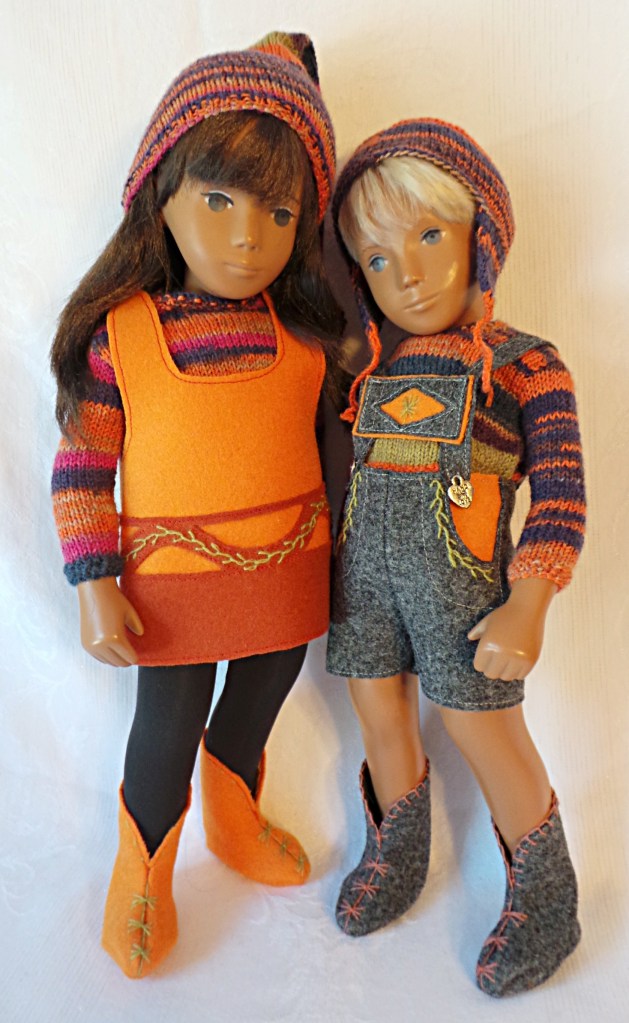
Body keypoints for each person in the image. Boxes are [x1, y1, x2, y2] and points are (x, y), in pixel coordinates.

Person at [50, 31, 343, 979]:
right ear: (159, 190)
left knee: (265, 685)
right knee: (166, 721)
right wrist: (94, 579)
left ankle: (234, 805)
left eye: (278, 211)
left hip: (290, 567)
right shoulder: (123, 336)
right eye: (218, 199)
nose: (246, 235)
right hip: (169, 585)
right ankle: (142, 868)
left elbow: (342, 449)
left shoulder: (305, 336)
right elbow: (83, 466)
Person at [327, 118, 585, 997]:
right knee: (376, 710)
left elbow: (560, 498)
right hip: (362, 585)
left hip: (465, 596)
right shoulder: (369, 372)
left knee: (482, 725)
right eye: (375, 257)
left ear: (483, 235)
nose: (405, 271)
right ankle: (396, 853)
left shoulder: (524, 365)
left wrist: (530, 600)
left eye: (429, 236)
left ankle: (545, 898)